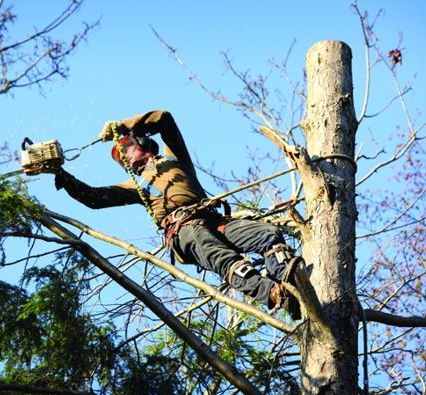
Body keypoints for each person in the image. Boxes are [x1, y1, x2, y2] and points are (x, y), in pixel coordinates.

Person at [53, 110, 302, 320]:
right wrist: (63, 176)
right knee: (221, 257)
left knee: (267, 234)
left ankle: (292, 280)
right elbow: (95, 198)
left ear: (142, 143)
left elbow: (165, 120)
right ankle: (275, 294)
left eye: (126, 150)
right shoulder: (136, 186)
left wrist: (123, 126)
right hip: (183, 229)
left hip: (214, 219)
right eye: (122, 159)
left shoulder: (175, 159)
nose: (126, 159)